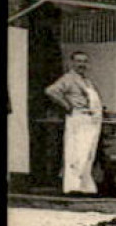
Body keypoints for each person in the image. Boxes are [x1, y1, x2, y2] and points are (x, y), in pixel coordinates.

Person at [44, 50, 103, 196]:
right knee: (76, 153)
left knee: (88, 154)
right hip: (78, 118)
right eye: (78, 61)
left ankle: (85, 186)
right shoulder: (68, 78)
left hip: (91, 120)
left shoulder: (87, 81)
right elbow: (51, 91)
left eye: (84, 61)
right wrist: (67, 105)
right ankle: (73, 187)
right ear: (72, 63)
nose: (81, 64)